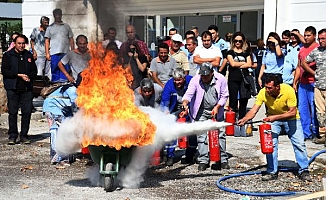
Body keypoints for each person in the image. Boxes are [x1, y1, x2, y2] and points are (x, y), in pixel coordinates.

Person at [238, 75, 312, 182]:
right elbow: (254, 110)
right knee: (270, 144)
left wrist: (275, 117)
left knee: (299, 143)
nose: (267, 90)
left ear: (278, 87)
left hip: (291, 119)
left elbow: (292, 112)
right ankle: (272, 171)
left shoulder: (288, 90)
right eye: (266, 87)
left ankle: (304, 170)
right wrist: (245, 119)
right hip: (273, 120)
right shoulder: (263, 92)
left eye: (270, 88)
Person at [181, 62, 229, 171]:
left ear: (212, 73)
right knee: (201, 135)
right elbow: (189, 93)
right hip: (201, 111)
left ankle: (222, 159)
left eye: (206, 75)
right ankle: (203, 160)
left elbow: (224, 95)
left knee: (220, 134)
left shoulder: (220, 79)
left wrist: (218, 106)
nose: (204, 78)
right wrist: (185, 102)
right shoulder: (196, 79)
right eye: (202, 75)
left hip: (216, 110)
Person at [1, 34, 37, 145]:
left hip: (26, 88)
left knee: (26, 112)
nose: (21, 46)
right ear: (15, 44)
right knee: (13, 112)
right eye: (19, 43)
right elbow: (5, 71)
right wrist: (18, 75)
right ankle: (12, 135)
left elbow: (34, 71)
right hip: (13, 87)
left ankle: (24, 135)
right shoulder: (8, 55)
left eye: (23, 43)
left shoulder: (28, 55)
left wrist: (28, 77)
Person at [160, 68, 195, 166]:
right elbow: (164, 101)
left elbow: (197, 95)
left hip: (190, 108)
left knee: (191, 130)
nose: (177, 82)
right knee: (171, 130)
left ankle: (190, 154)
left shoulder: (191, 81)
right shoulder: (169, 85)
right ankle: (169, 155)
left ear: (184, 78)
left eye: (179, 80)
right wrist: (166, 112)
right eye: (175, 80)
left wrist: (188, 109)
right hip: (174, 109)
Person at [42, 76, 80, 166]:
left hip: (50, 109)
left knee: (56, 131)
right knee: (60, 132)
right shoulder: (71, 89)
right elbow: (78, 104)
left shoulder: (67, 87)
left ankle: (60, 157)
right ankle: (62, 159)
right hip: (55, 110)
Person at [293, 26, 320, 141]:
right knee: (302, 108)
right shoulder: (302, 49)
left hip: (314, 83)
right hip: (303, 84)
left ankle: (316, 132)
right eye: (305, 35)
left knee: (315, 109)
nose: (306, 37)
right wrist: (295, 81)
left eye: (308, 35)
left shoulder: (318, 48)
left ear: (314, 36)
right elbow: (299, 67)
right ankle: (305, 133)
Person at [301, 28, 326, 146]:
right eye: (320, 39)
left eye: (323, 39)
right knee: (320, 111)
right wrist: (314, 73)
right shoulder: (317, 51)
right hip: (319, 85)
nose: (321, 41)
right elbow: (304, 62)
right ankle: (322, 135)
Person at [226, 32, 253, 120]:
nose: (238, 43)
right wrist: (243, 63)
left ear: (243, 42)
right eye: (236, 41)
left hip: (244, 79)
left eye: (240, 41)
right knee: (233, 101)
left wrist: (239, 64)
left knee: (243, 100)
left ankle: (242, 119)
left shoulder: (246, 52)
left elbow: (250, 64)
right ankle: (232, 120)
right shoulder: (230, 52)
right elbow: (232, 64)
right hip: (233, 78)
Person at [45, 8, 74, 83]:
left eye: (59, 14)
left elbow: (71, 38)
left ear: (61, 15)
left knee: (65, 69)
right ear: (54, 15)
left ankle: (64, 84)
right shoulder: (50, 28)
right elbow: (47, 41)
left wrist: (73, 50)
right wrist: (47, 53)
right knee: (54, 69)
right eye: (56, 14)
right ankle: (55, 84)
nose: (58, 16)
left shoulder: (66, 26)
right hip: (54, 52)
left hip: (65, 52)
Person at [30, 16, 51, 80]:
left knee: (48, 73)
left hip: (49, 54)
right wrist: (34, 51)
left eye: (47, 22)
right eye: (45, 22)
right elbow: (32, 41)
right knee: (39, 72)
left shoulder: (49, 30)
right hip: (39, 55)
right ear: (41, 23)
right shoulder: (36, 30)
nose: (46, 24)